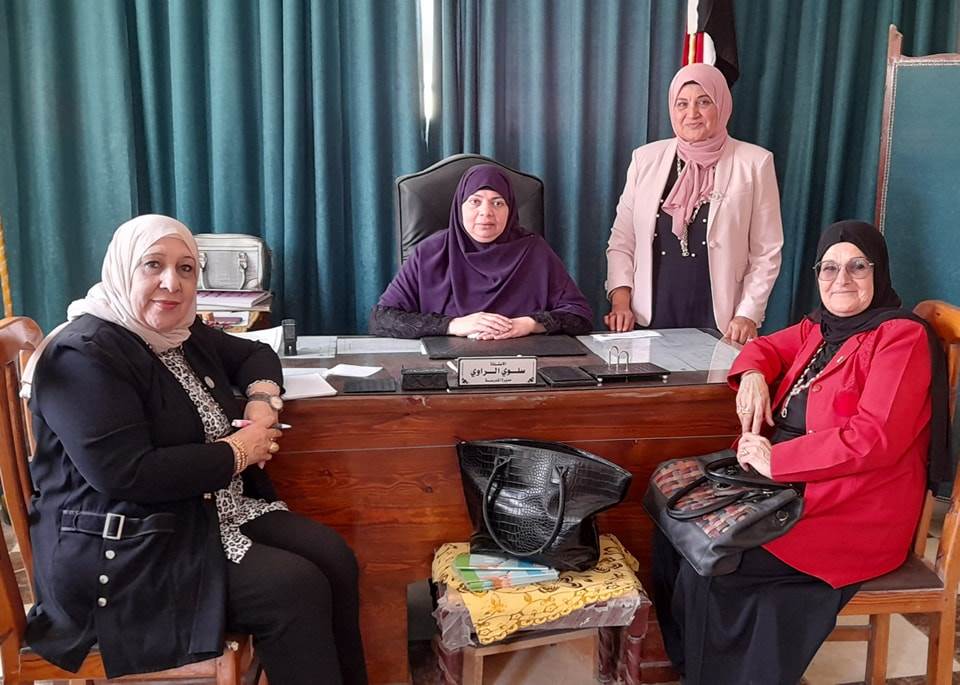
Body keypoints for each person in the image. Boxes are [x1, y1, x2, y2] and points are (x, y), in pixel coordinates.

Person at [21, 215, 367, 685]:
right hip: (122, 544)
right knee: (293, 587)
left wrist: (262, 400)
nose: (172, 283)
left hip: (202, 511)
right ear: (122, 268)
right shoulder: (84, 354)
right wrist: (239, 450)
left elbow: (254, 354)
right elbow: (127, 473)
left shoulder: (177, 331)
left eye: (186, 269)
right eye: (153, 265)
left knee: (333, 556)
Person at [651, 220, 950, 684]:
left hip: (855, 506)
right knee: (676, 521)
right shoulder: (821, 327)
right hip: (792, 486)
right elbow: (766, 347)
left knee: (715, 558)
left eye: (857, 267)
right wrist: (753, 375)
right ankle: (692, 668)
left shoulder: (899, 337)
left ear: (880, 271)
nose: (841, 279)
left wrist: (778, 461)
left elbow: (873, 438)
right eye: (829, 268)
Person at [605, 63, 783, 343]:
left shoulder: (755, 162)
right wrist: (620, 301)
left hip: (723, 319)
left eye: (703, 102)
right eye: (682, 104)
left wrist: (748, 314)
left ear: (721, 105)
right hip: (649, 314)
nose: (692, 113)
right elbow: (622, 240)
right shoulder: (645, 159)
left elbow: (767, 251)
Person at [369, 164, 593, 339]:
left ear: (510, 210)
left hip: (524, 365)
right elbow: (381, 319)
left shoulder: (534, 251)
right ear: (460, 207)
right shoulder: (430, 252)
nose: (486, 213)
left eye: (498, 203)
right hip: (445, 367)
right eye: (475, 202)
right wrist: (453, 325)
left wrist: (528, 324)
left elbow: (580, 316)